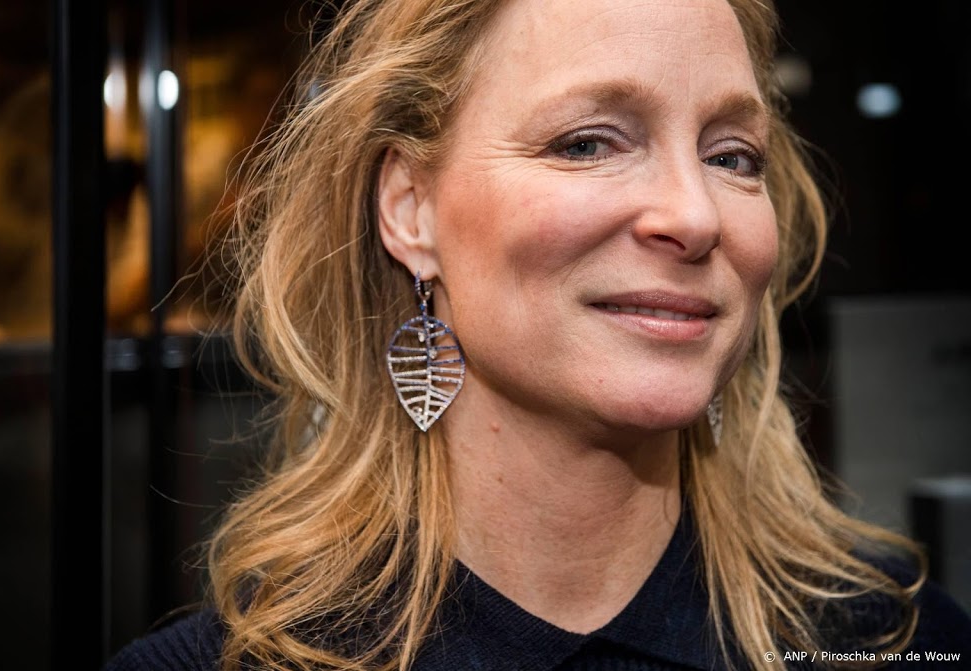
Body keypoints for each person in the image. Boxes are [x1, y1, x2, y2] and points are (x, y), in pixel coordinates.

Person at [103, 0, 971, 669]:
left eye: (731, 156)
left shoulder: (897, 639)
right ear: (410, 209)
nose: (695, 215)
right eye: (587, 143)